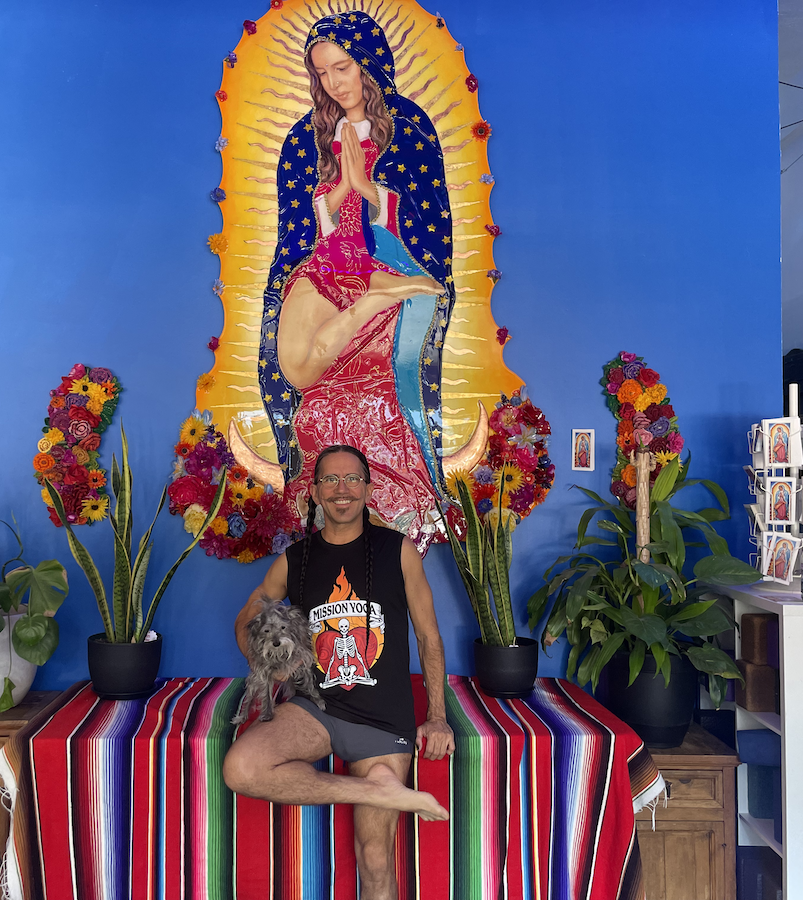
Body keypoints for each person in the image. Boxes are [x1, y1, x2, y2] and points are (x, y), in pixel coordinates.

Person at [253, 11, 475, 549]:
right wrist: (333, 197)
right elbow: (298, 230)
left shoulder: (409, 125)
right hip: (329, 267)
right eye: (322, 72)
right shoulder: (305, 138)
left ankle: (396, 508)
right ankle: (310, 499)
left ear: (370, 64)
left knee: (361, 387)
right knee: (291, 368)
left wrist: (368, 187)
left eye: (343, 67)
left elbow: (429, 222)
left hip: (394, 263)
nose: (334, 82)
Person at [223, 445, 454, 900]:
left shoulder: (398, 550)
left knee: (374, 861)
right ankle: (378, 791)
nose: (341, 490)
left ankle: (380, 787)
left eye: (351, 479)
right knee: (241, 768)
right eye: (330, 480)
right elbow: (251, 610)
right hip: (315, 708)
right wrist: (262, 662)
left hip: (383, 721)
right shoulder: (296, 558)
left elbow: (429, 637)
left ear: (368, 489)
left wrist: (438, 715)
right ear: (314, 492)